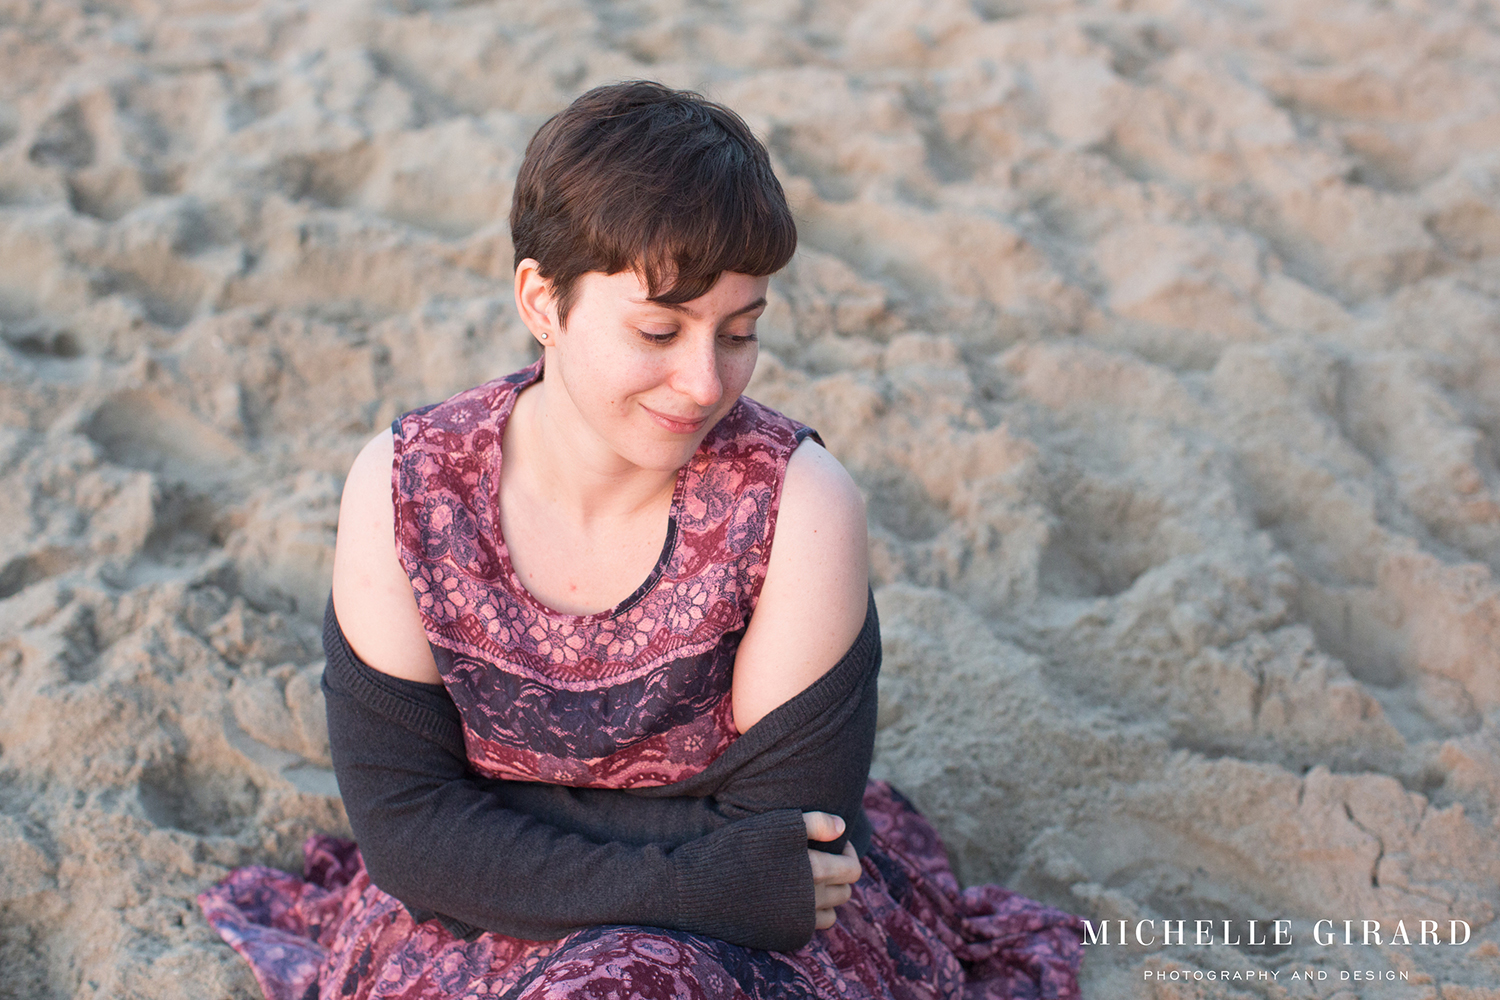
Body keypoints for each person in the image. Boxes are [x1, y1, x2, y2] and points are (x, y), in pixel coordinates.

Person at [199, 80, 1084, 1000]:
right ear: (543, 300)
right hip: (491, 922)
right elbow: (408, 833)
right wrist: (704, 870)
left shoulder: (797, 505)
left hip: (745, 944)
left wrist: (494, 820)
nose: (704, 383)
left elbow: (793, 838)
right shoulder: (409, 491)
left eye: (739, 333)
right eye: (659, 329)